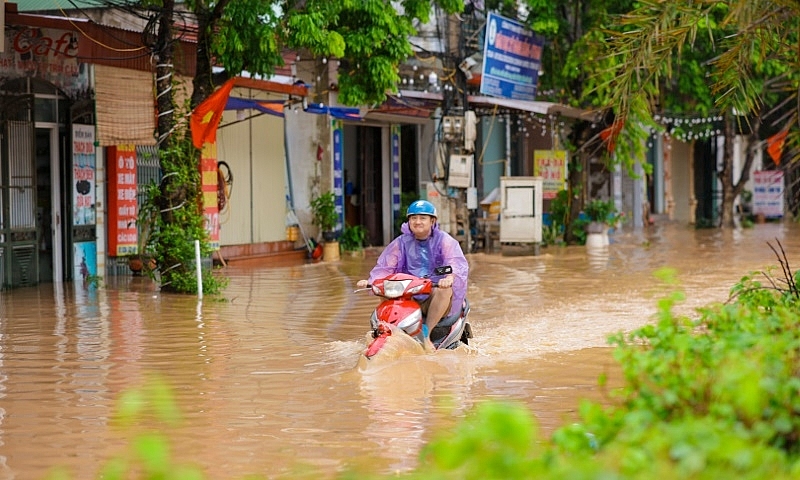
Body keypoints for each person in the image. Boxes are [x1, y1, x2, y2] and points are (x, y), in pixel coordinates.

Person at [357, 199, 469, 342]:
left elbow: (456, 263)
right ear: (409, 221)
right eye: (413, 218)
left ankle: (426, 332)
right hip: (407, 294)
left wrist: (449, 278)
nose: (417, 222)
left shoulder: (444, 240)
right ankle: (387, 329)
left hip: (433, 294)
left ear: (432, 221)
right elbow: (385, 267)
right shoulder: (400, 242)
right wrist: (371, 281)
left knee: (445, 290)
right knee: (385, 287)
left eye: (423, 218)